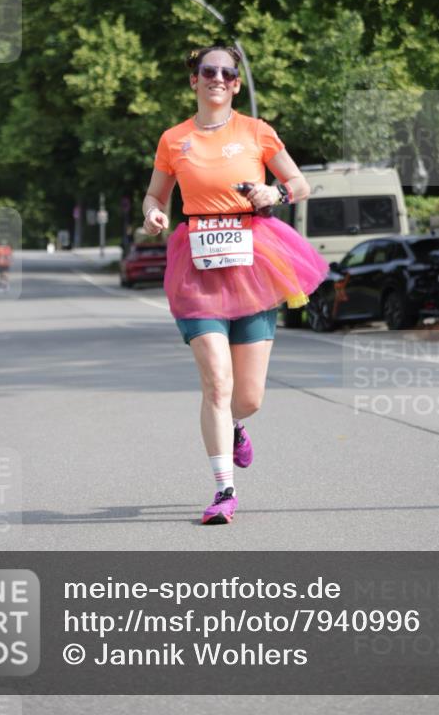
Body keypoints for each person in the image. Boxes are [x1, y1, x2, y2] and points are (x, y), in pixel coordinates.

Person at [141, 45, 329, 524]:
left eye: (227, 72)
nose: (218, 79)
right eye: (209, 71)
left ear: (236, 84)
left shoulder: (256, 132)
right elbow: (155, 194)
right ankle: (224, 489)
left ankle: (238, 425)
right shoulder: (174, 139)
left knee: (247, 397)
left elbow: (301, 183)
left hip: (254, 262)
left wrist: (276, 192)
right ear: (194, 81)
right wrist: (154, 214)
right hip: (197, 265)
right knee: (216, 383)